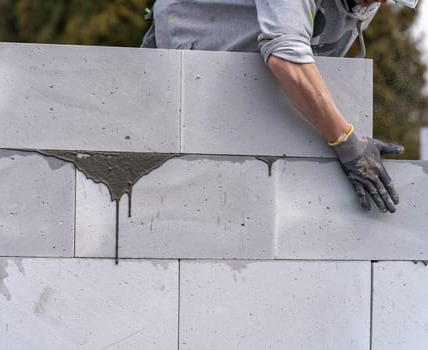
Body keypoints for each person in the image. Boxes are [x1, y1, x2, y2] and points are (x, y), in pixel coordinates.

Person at [142, 0, 412, 213]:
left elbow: (312, 70)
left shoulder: (368, 3)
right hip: (186, 48)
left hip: (246, 88)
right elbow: (287, 59)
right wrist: (346, 141)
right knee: (177, 201)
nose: (382, 2)